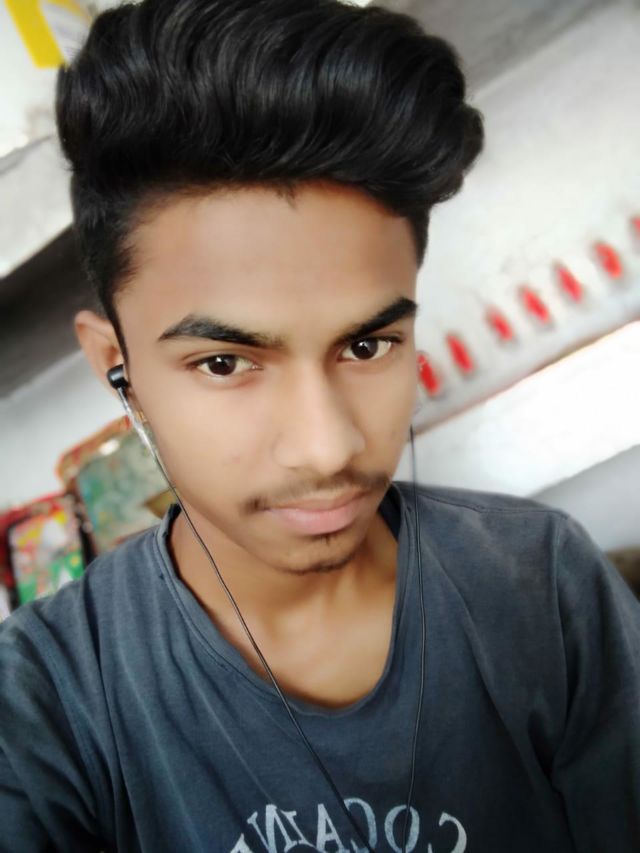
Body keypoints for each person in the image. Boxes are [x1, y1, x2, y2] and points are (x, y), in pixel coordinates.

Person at [1, 0, 639, 850]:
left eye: (367, 344)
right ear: (118, 367)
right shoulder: (48, 700)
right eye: (224, 362)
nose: (327, 446)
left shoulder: (539, 583)